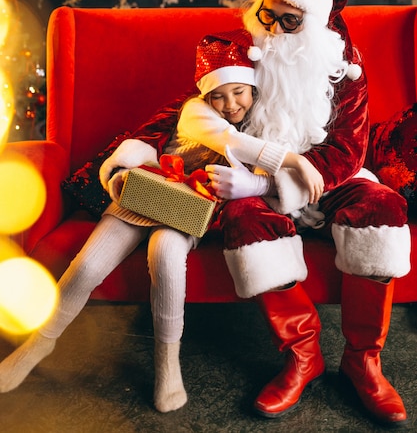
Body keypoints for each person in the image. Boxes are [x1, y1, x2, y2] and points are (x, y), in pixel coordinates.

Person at [98, 0, 411, 428]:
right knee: (245, 219)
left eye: (291, 20)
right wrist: (130, 157)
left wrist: (269, 182)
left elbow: (348, 150)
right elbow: (188, 109)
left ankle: (364, 362)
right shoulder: (238, 48)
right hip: (244, 178)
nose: (275, 29)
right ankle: (302, 357)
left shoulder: (343, 67)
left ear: (316, 22)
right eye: (268, 14)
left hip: (326, 178)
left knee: (382, 209)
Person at [0, 28, 310, 413]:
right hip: (150, 192)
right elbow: (229, 143)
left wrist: (267, 178)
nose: (229, 104)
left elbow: (266, 166)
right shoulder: (196, 112)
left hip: (189, 210)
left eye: (238, 93)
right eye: (218, 95)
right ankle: (38, 345)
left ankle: (167, 364)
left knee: (165, 255)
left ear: (253, 89)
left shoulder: (264, 122)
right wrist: (122, 172)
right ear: (204, 94)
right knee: (87, 264)